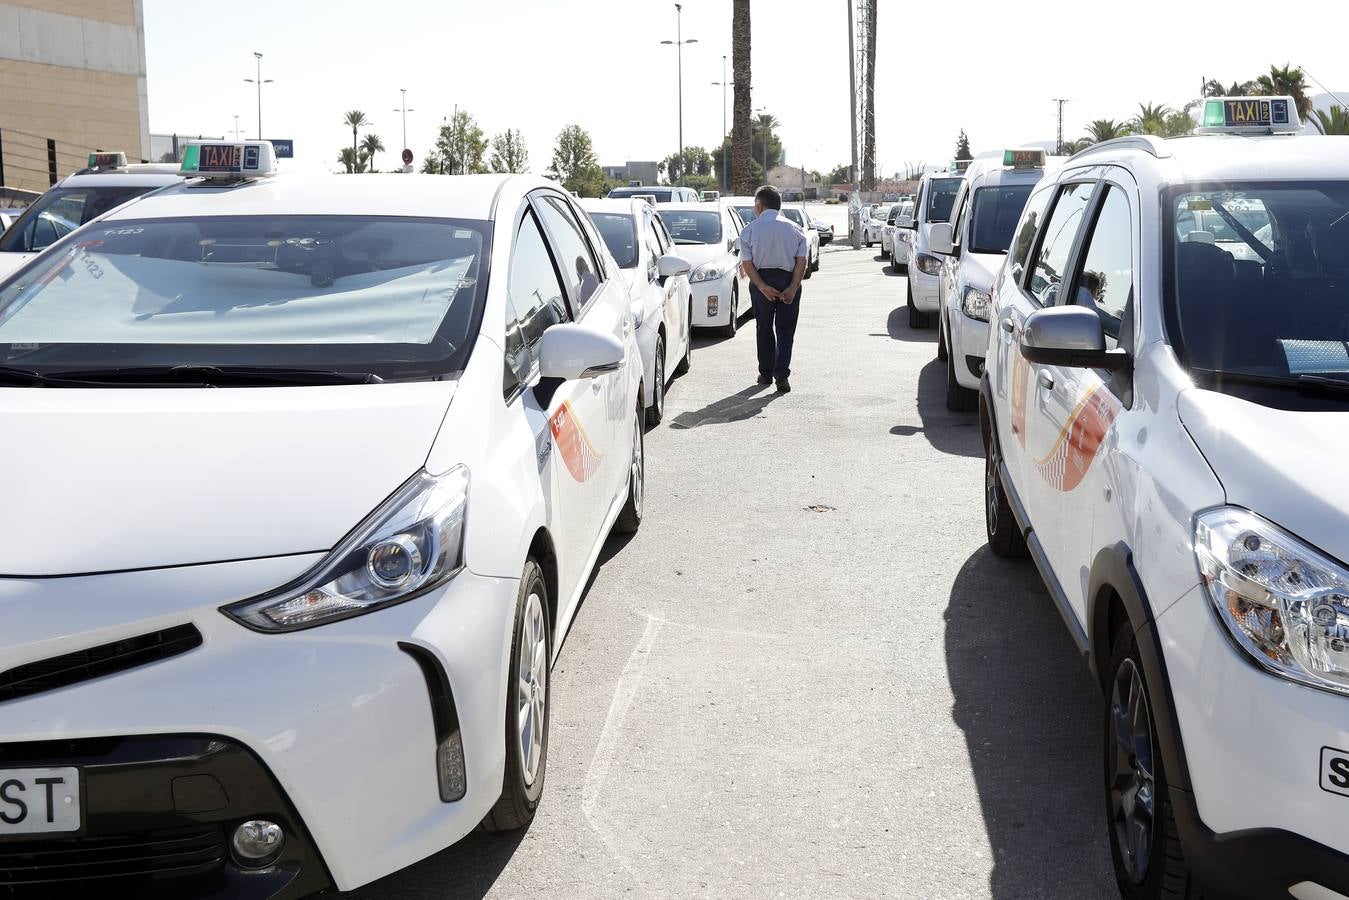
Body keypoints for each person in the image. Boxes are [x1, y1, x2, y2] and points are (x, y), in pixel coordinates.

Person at [738, 185, 808, 393]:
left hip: (761, 279)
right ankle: (782, 377)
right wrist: (793, 287)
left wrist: (762, 286)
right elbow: (801, 261)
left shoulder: (749, 230)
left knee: (764, 328)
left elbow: (747, 264)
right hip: (789, 278)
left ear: (759, 206)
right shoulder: (795, 229)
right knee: (786, 331)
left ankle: (766, 374)